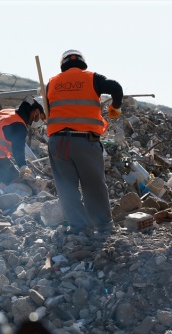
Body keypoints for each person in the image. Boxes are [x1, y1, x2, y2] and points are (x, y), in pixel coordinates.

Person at [45, 49, 123, 235]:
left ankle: (79, 228)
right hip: (85, 141)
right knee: (93, 185)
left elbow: (47, 108)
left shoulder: (51, 83)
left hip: (58, 142)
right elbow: (116, 88)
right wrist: (115, 107)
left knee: (66, 187)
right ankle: (103, 227)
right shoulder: (92, 78)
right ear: (82, 62)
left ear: (63, 63)